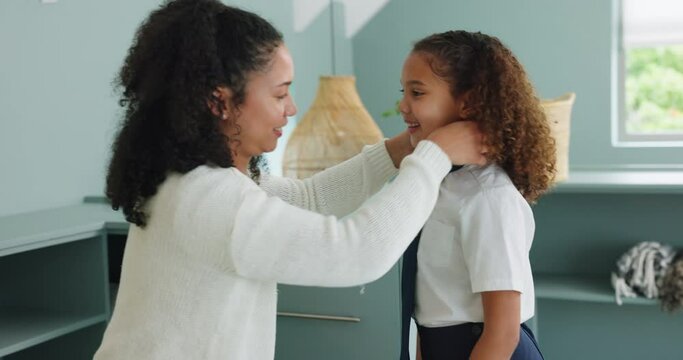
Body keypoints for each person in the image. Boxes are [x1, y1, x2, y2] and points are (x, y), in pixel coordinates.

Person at [93, 1, 486, 359]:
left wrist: (402, 149)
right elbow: (358, 253)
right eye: (280, 95)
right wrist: (435, 156)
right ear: (220, 102)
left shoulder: (196, 178)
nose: (291, 108)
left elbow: (310, 199)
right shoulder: (208, 199)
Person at [398, 30, 555, 360]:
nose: (403, 105)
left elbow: (502, 333)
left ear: (467, 102)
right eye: (404, 92)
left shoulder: (488, 198)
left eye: (417, 93)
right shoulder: (441, 181)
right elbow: (433, 304)